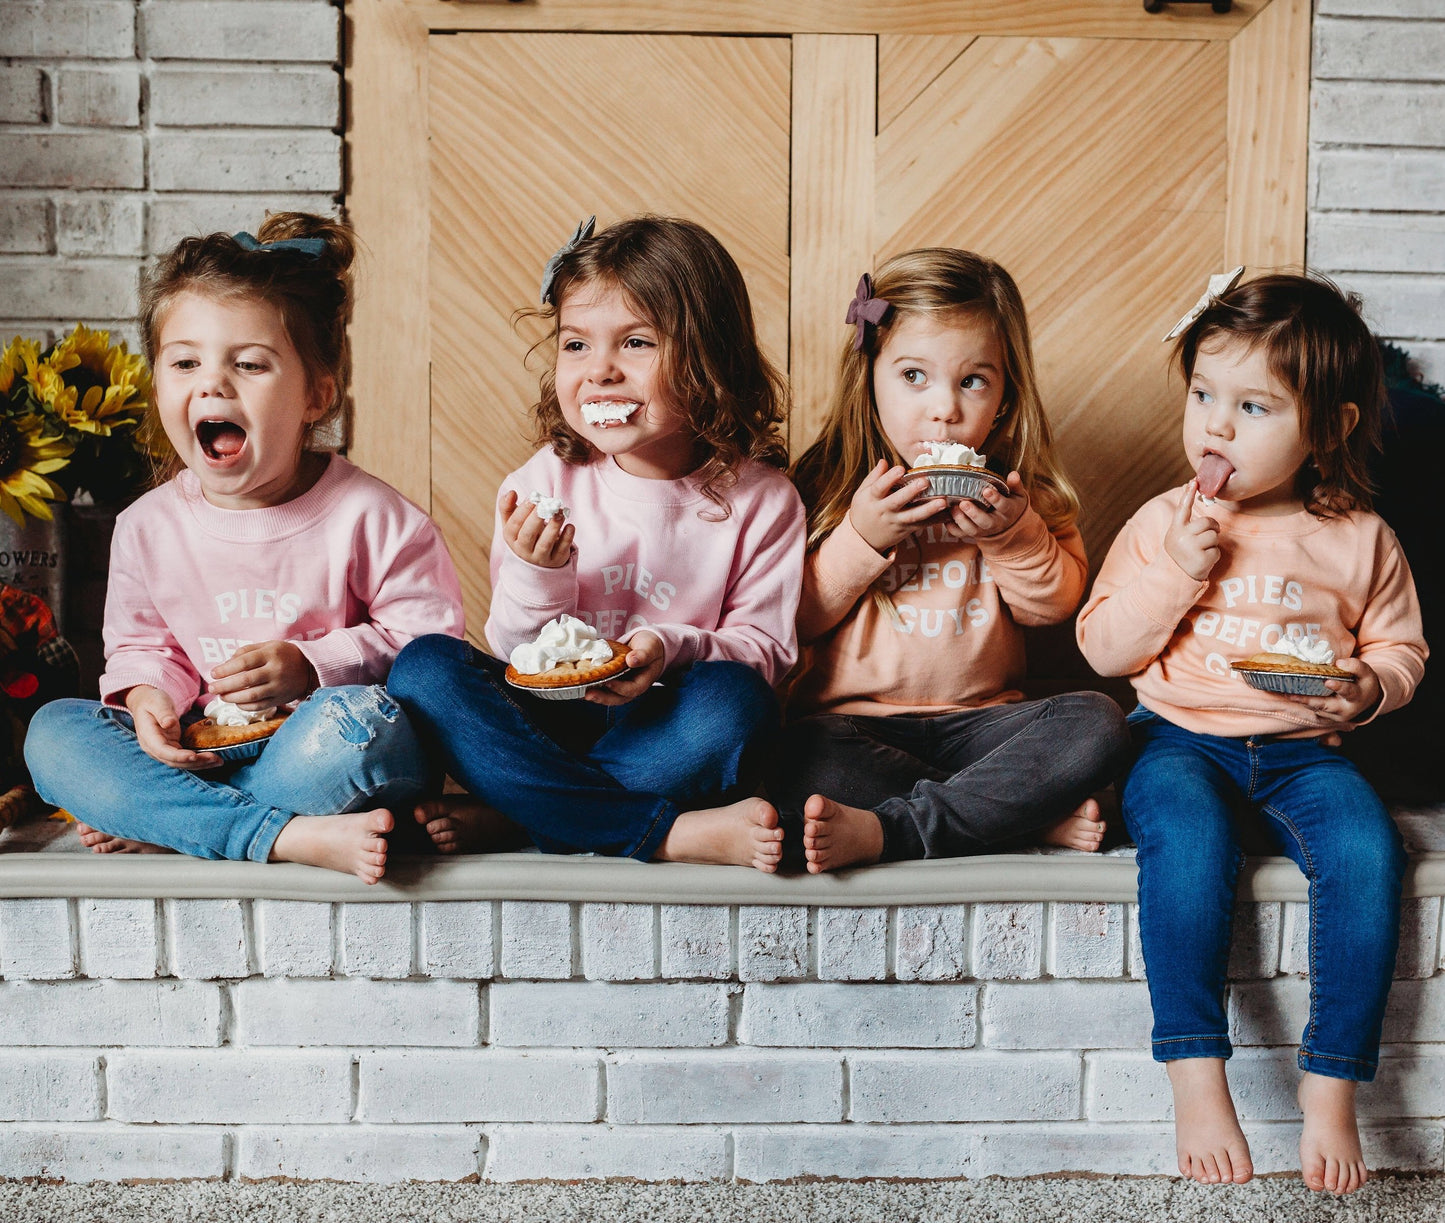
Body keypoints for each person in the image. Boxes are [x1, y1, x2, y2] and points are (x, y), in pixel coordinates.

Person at [1077, 271, 1427, 1195]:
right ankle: (1195, 1079)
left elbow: (1400, 650)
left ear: (1331, 427)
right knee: (1185, 848)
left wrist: (1367, 689)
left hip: (1303, 752)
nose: (1215, 426)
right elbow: (1103, 646)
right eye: (1202, 395)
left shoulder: (1358, 536)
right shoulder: (1167, 520)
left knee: (1365, 851)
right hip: (1178, 740)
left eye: (1252, 405)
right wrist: (1173, 578)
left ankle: (1331, 1082)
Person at [24, 213, 465, 883]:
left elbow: (430, 647)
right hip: (211, 750)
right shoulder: (148, 524)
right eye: (185, 362)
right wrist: (151, 706)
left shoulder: (372, 515)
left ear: (317, 394)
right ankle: (278, 832)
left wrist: (311, 665)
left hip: (322, 748)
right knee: (54, 735)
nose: (212, 384)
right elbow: (145, 648)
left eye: (249, 364)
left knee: (358, 726)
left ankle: (177, 823)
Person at [388, 215, 805, 871]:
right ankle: (657, 833)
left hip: (663, 726)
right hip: (545, 718)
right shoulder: (542, 483)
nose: (599, 372)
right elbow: (510, 648)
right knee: (423, 669)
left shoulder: (762, 500)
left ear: (707, 354)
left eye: (635, 343)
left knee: (737, 705)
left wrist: (669, 648)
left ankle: (524, 811)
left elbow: (766, 654)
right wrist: (537, 572)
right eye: (576, 345)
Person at [772, 249, 1130, 872]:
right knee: (795, 757)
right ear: (870, 377)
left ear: (1005, 397)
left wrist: (1012, 538)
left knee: (1098, 721)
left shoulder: (1022, 498)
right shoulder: (823, 486)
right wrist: (861, 537)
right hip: (854, 728)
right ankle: (1019, 812)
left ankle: (900, 830)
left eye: (973, 381)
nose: (945, 409)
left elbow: (1055, 606)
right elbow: (793, 619)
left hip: (985, 731)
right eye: (914, 376)